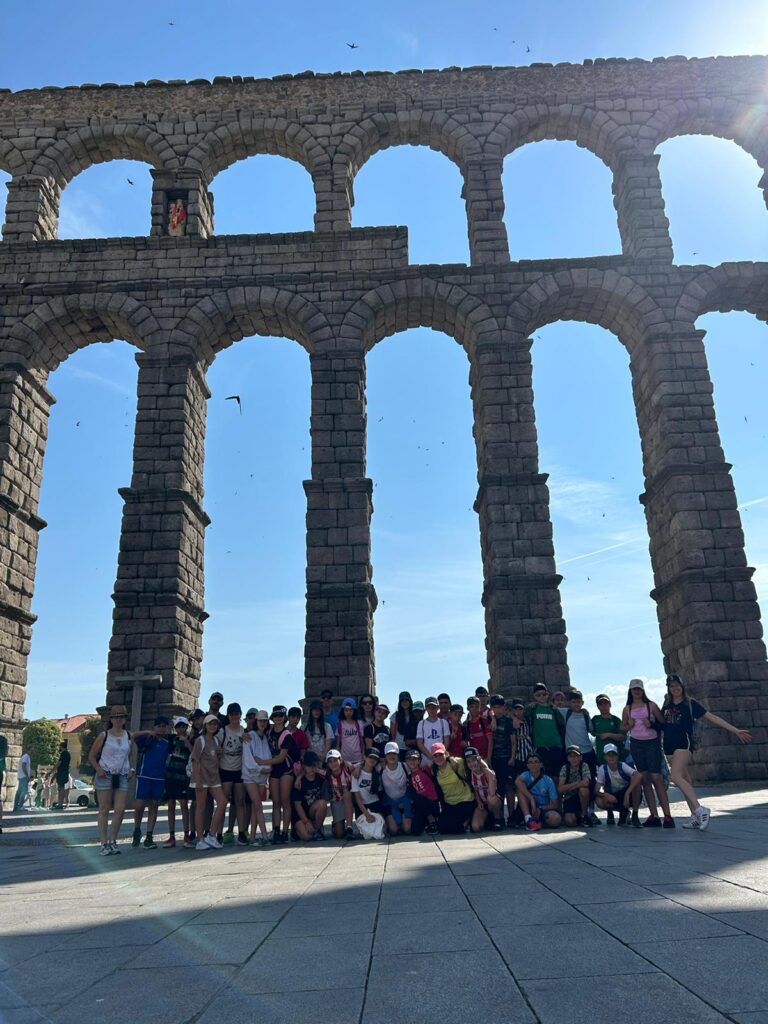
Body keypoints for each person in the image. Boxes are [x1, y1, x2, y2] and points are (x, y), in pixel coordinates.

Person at [662, 672, 752, 831]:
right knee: (685, 781)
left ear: (682, 686)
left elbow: (713, 718)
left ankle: (700, 810)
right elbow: (661, 723)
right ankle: (695, 817)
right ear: (669, 688)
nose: (675, 688)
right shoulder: (667, 705)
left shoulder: (691, 704)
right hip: (668, 746)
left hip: (683, 743)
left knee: (675, 776)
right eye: (672, 686)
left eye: (677, 685)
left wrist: (735, 730)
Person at [621, 678, 674, 828]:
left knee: (656, 778)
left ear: (643, 691)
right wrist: (628, 725)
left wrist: (652, 725)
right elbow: (622, 727)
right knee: (645, 780)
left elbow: (663, 724)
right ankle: (654, 816)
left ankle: (668, 815)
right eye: (634, 689)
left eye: (639, 689)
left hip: (652, 743)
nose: (636, 691)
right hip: (636, 744)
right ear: (630, 691)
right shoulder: (627, 709)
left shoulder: (651, 706)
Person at [89, 705, 133, 854]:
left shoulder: (129, 735)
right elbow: (92, 755)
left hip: (122, 774)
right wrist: (98, 769)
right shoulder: (104, 735)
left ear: (125, 719)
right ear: (111, 719)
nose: (119, 719)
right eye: (116, 717)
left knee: (120, 808)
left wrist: (132, 768)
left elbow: (131, 754)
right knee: (104, 808)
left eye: (121, 717)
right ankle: (103, 843)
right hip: (105, 773)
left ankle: (113, 839)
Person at [131, 716, 171, 849]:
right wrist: (148, 732)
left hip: (159, 778)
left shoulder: (167, 743)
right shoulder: (147, 739)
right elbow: (132, 736)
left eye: (163, 726)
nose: (161, 728)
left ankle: (149, 835)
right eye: (158, 726)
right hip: (145, 776)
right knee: (140, 805)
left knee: (154, 806)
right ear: (154, 727)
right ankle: (137, 828)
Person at [562, 691, 599, 826]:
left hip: (587, 752)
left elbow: (592, 731)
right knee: (571, 778)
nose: (576, 704)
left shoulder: (585, 715)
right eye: (573, 701)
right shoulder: (565, 713)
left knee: (590, 783)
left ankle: (590, 810)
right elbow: (551, 707)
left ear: (582, 702)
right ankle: (571, 809)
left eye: (578, 701)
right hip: (572, 753)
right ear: (569, 703)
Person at [191, 713, 227, 850]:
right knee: (201, 807)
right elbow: (195, 760)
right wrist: (198, 781)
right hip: (202, 777)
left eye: (215, 724)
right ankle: (200, 839)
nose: (213, 726)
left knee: (222, 802)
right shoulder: (200, 740)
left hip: (213, 777)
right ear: (205, 725)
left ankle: (211, 834)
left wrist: (219, 754)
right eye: (210, 724)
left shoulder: (217, 741)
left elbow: (215, 761)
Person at [267, 705, 301, 843]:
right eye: (276, 716)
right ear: (272, 717)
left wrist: (261, 762)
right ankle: (276, 831)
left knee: (285, 802)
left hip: (286, 768)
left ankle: (285, 832)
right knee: (276, 802)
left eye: (281, 716)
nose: (278, 718)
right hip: (275, 769)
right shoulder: (269, 731)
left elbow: (281, 757)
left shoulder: (287, 735)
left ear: (284, 718)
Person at [241, 709, 273, 847]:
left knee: (256, 808)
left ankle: (253, 837)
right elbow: (249, 761)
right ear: (256, 722)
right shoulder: (250, 737)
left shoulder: (265, 738)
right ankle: (265, 836)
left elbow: (266, 758)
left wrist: (266, 767)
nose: (262, 723)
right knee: (258, 806)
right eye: (260, 721)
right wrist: (262, 768)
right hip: (250, 776)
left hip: (262, 777)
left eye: (265, 721)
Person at [430, 742, 476, 834]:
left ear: (446, 754)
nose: (439, 758)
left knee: (456, 828)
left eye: (441, 754)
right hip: (449, 803)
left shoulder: (457, 762)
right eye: (435, 756)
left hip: (465, 800)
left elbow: (473, 762)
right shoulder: (434, 770)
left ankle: (469, 819)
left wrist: (451, 758)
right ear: (432, 758)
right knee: (442, 828)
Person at [219, 702, 247, 846]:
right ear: (228, 716)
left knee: (240, 802)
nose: (235, 716)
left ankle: (242, 832)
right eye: (232, 714)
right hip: (225, 770)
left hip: (239, 771)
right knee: (223, 803)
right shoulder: (222, 731)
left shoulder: (243, 731)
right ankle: (218, 833)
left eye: (237, 714)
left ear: (240, 715)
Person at [594, 743, 642, 826]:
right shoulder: (603, 769)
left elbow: (638, 775)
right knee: (599, 800)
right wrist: (605, 795)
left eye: (613, 755)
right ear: (605, 757)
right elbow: (596, 791)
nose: (611, 757)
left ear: (617, 756)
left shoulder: (622, 765)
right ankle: (623, 812)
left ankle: (635, 814)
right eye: (608, 755)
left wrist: (627, 793)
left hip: (627, 794)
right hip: (614, 796)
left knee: (637, 784)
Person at [525, 684, 565, 779]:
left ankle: (557, 794)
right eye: (538, 695)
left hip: (555, 745)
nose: (541, 697)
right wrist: (528, 707)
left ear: (547, 695)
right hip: (541, 746)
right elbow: (521, 715)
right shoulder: (533, 709)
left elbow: (562, 722)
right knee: (544, 775)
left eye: (543, 694)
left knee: (557, 775)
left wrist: (556, 709)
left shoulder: (553, 709)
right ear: (534, 697)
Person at [164, 716, 193, 848]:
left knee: (183, 805)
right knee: (170, 805)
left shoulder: (191, 739)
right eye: (178, 726)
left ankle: (186, 835)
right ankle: (171, 836)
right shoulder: (171, 739)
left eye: (183, 726)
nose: (181, 729)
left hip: (183, 777)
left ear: (187, 726)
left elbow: (194, 752)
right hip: (171, 776)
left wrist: (187, 741)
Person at [515, 752, 562, 831]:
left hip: (543, 809)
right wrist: (531, 798)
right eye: (531, 762)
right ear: (527, 766)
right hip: (529, 806)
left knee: (556, 819)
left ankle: (540, 823)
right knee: (519, 789)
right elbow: (517, 781)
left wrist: (540, 809)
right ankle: (528, 820)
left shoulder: (548, 780)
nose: (534, 764)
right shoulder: (525, 775)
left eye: (536, 762)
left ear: (541, 765)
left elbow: (554, 804)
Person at [489, 694, 516, 824]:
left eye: (499, 707)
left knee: (509, 787)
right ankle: (499, 817)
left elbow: (513, 741)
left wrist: (512, 757)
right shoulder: (490, 719)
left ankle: (511, 816)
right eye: (494, 707)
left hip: (507, 757)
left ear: (503, 707)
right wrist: (493, 717)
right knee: (498, 788)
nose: (497, 709)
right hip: (495, 758)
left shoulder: (508, 720)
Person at [464, 747, 503, 832]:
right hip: (483, 804)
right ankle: (487, 820)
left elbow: (492, 792)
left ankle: (498, 819)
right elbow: (475, 790)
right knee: (476, 827)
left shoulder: (488, 773)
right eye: (468, 761)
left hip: (493, 802)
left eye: (474, 760)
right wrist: (478, 802)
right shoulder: (469, 774)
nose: (472, 764)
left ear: (479, 759)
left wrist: (485, 766)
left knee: (491, 798)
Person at [292, 751, 329, 841]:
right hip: (300, 815)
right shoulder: (299, 782)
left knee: (322, 804)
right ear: (304, 766)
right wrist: (306, 822)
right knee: (307, 837)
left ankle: (317, 830)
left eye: (314, 766)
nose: (312, 769)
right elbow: (297, 805)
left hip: (313, 812)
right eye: (309, 766)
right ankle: (296, 831)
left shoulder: (321, 779)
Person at [509, 699, 535, 826]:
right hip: (519, 756)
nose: (518, 711)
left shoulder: (528, 720)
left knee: (530, 784)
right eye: (516, 709)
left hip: (530, 755)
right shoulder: (511, 721)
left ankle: (525, 812)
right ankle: (520, 814)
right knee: (519, 785)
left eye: (520, 709)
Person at [380, 741, 413, 835]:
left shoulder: (405, 766)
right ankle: (391, 821)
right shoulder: (381, 768)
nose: (391, 756)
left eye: (394, 753)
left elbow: (419, 767)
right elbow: (364, 766)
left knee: (407, 829)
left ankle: (407, 818)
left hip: (405, 802)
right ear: (385, 756)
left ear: (398, 755)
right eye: (389, 754)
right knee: (393, 830)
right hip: (390, 804)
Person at [405, 748, 440, 835]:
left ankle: (432, 820)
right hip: (421, 806)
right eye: (410, 759)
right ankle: (426, 823)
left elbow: (433, 761)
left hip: (433, 802)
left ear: (419, 760)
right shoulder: (409, 776)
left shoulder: (425, 769)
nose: (412, 762)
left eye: (415, 759)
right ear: (406, 761)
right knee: (415, 831)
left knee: (419, 798)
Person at [351, 749, 386, 832]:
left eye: (375, 758)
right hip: (362, 806)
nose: (372, 760)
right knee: (367, 833)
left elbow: (385, 760)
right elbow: (357, 797)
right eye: (370, 757)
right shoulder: (356, 773)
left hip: (375, 802)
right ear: (365, 757)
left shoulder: (377, 769)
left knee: (383, 830)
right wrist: (367, 814)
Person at [558, 745, 592, 827]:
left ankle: (584, 815)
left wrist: (569, 788)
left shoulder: (584, 766)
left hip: (582, 798)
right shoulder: (565, 768)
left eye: (576, 756)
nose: (574, 759)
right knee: (569, 821)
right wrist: (577, 783)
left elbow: (586, 783)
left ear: (581, 757)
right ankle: (579, 818)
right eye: (571, 756)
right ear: (568, 758)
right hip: (569, 798)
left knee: (583, 790)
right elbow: (560, 789)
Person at [325, 748, 355, 839]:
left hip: (350, 798)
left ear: (340, 760)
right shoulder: (326, 774)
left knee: (347, 794)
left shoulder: (348, 769)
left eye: (335, 760)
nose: (333, 763)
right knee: (339, 834)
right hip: (336, 800)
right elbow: (313, 769)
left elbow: (361, 765)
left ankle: (349, 827)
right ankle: (336, 825)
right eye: (330, 761)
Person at [592, 694, 626, 763]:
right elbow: (591, 732)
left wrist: (609, 735)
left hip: (615, 757)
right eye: (601, 704)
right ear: (598, 706)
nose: (603, 706)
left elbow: (623, 736)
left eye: (605, 703)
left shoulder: (616, 720)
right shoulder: (595, 719)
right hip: (601, 756)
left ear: (610, 704)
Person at [336, 698, 366, 765]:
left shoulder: (359, 723)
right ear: (343, 711)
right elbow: (338, 742)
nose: (348, 712)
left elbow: (362, 741)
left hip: (358, 758)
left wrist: (363, 755)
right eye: (346, 710)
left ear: (354, 711)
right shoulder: (340, 724)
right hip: (344, 759)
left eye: (351, 710)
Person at [390, 691, 419, 759]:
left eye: (407, 700)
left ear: (410, 701)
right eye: (402, 700)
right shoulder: (395, 715)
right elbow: (392, 733)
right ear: (400, 703)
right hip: (398, 748)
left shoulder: (414, 715)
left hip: (412, 748)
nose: (405, 702)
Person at [13, 748, 31, 812]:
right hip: (23, 777)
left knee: (19, 792)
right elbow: (23, 765)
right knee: (24, 791)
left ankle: (16, 807)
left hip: (21, 776)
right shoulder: (26, 757)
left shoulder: (26, 757)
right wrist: (27, 776)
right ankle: (19, 806)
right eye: (31, 750)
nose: (33, 752)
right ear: (28, 750)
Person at [54, 742, 71, 809]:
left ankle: (60, 804)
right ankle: (60, 803)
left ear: (61, 747)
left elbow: (59, 763)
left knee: (61, 788)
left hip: (62, 772)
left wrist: (52, 771)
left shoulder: (63, 753)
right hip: (65, 772)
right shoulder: (68, 754)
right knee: (62, 787)